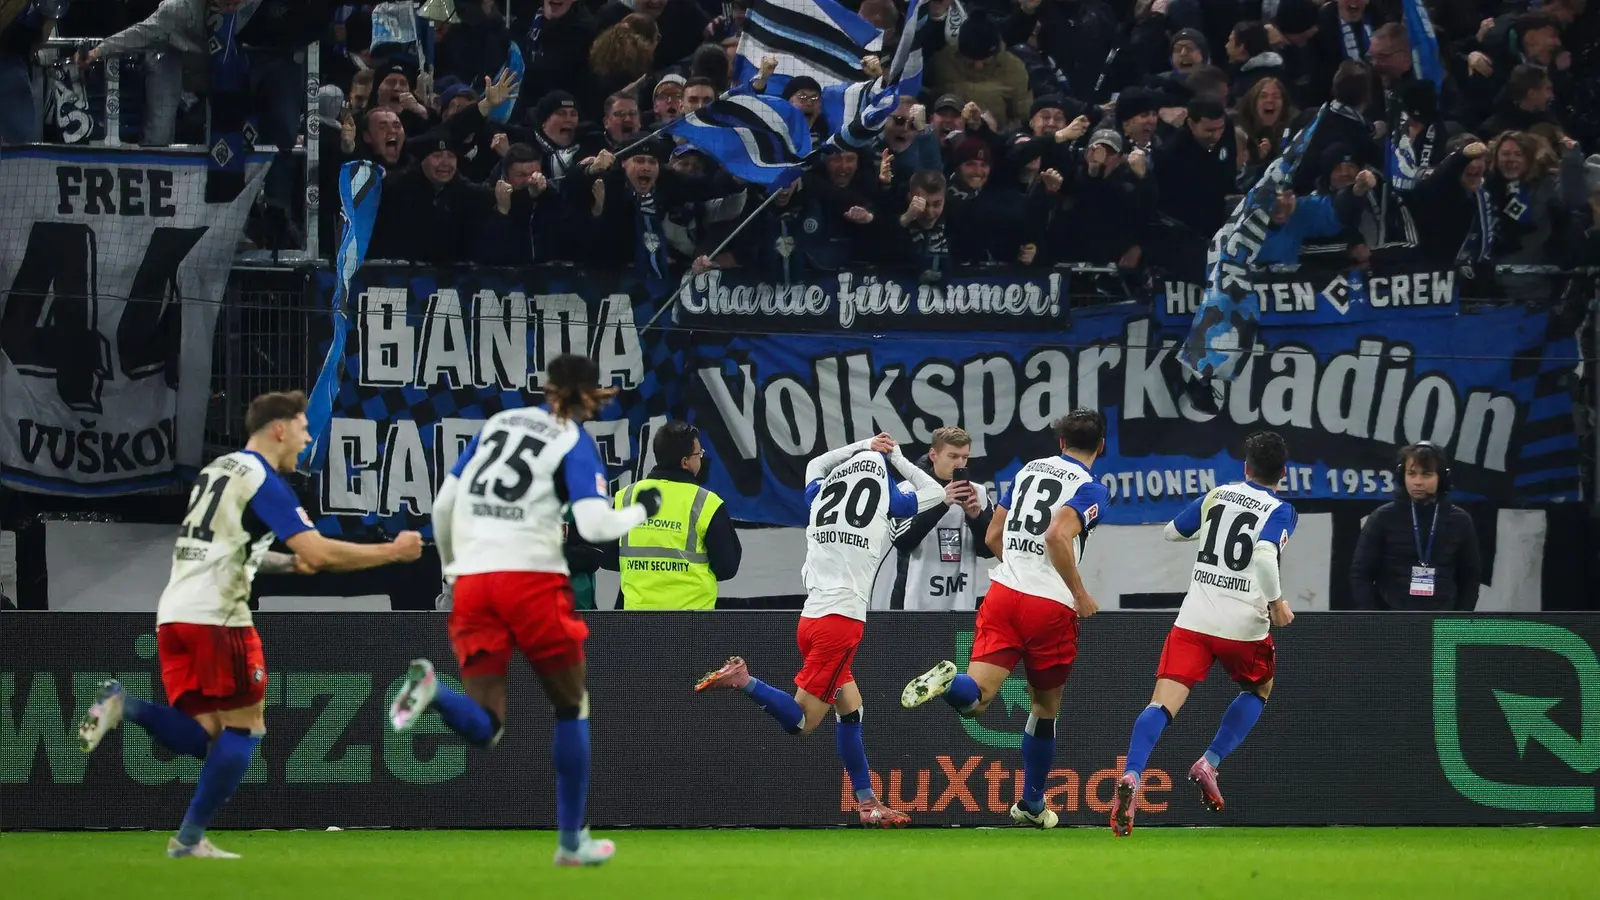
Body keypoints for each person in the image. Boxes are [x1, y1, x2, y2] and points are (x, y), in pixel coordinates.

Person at [76, 390, 424, 858]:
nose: (306, 440)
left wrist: (282, 564)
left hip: (175, 615)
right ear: (278, 428)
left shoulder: (216, 469)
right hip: (220, 618)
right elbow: (319, 552)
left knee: (207, 737)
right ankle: (189, 840)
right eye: (303, 429)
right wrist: (392, 553)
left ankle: (126, 705)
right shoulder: (265, 480)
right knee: (245, 729)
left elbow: (227, 545)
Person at [387, 354, 662, 867]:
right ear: (592, 394)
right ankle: (571, 842)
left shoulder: (496, 425)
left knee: (487, 725)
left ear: (546, 386)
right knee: (571, 705)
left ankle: (433, 690)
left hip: (472, 582)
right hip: (531, 579)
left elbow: (443, 506)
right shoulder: (572, 439)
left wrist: (452, 569)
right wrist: (642, 510)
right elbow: (597, 525)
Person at [693, 433, 943, 827]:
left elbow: (817, 464)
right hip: (841, 624)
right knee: (801, 724)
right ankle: (744, 680)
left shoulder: (821, 494)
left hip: (811, 619)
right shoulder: (887, 497)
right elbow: (934, 490)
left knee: (851, 709)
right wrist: (893, 455)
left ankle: (867, 804)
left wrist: (862, 445)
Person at [899, 409, 1112, 829]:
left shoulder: (1029, 471)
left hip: (1003, 594)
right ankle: (1032, 803)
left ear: (1060, 442)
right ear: (1102, 446)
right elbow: (1056, 535)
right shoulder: (1091, 488)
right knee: (1045, 708)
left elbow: (995, 536)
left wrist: (1019, 568)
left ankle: (949, 681)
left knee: (975, 701)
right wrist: (1080, 594)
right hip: (1048, 607)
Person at [1108, 431, 1298, 837]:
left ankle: (1132, 773)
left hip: (1193, 620)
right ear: (1283, 472)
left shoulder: (1219, 495)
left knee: (1162, 703)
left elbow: (1172, 532)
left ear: (1245, 467)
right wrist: (1277, 601)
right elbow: (1265, 554)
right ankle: (1209, 761)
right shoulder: (1281, 510)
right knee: (1259, 689)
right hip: (1242, 626)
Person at [612, 421, 741, 609]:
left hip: (638, 622)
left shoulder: (626, 497)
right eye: (699, 454)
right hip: (693, 624)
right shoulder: (706, 503)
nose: (701, 458)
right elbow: (727, 567)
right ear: (685, 462)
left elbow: (607, 557)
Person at [872, 426, 993, 611]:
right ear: (933, 454)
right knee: (920, 641)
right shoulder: (909, 491)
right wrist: (941, 503)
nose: (960, 464)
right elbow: (901, 540)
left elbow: (988, 550)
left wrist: (976, 517)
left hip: (962, 605)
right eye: (953, 456)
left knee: (962, 642)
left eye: (965, 457)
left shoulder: (979, 493)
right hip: (914, 607)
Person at [1349, 442, 1481, 611]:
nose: (1417, 482)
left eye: (1426, 474)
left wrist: (1459, 622)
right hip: (1391, 620)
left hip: (1443, 618)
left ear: (1442, 477)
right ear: (1402, 476)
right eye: (1411, 474)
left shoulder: (1460, 521)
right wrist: (1374, 619)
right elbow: (1360, 573)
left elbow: (1470, 578)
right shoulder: (1383, 517)